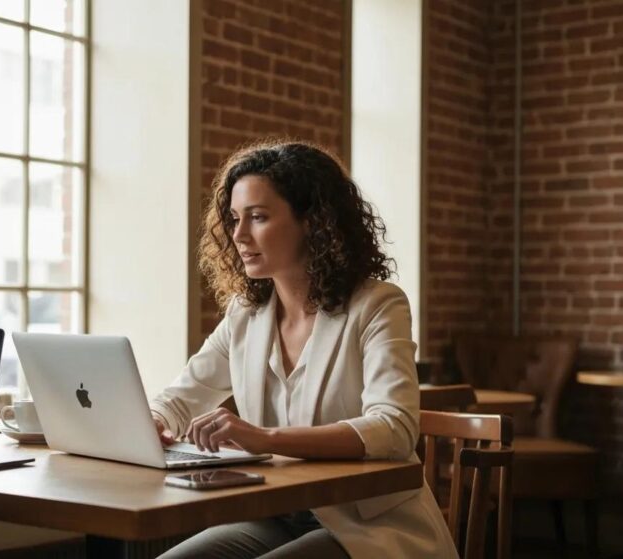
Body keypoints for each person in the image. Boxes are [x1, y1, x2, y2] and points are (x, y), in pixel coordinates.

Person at [150, 142, 457, 559]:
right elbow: (181, 397)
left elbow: (395, 428)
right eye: (235, 219)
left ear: (313, 222)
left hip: (369, 525)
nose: (239, 235)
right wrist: (153, 421)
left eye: (258, 217)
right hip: (276, 515)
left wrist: (264, 438)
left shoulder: (378, 305)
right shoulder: (245, 314)